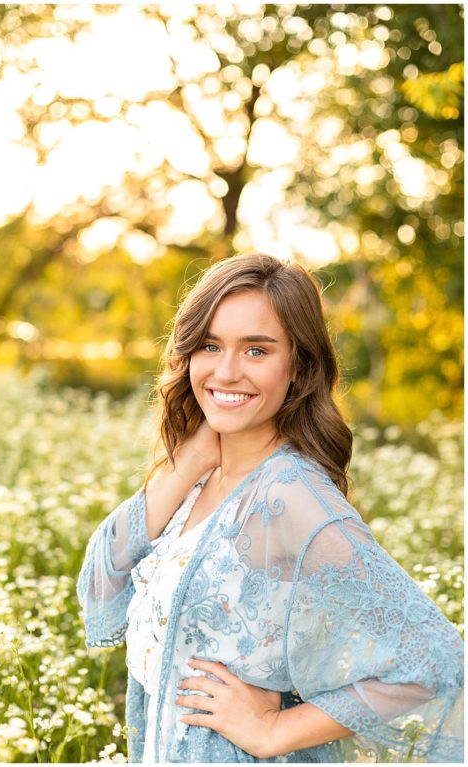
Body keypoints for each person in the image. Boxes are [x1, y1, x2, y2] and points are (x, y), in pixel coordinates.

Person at [76, 254, 463, 763]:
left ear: (298, 366)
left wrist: (274, 729)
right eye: (210, 345)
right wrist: (188, 461)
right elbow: (100, 584)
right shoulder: (197, 479)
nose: (226, 371)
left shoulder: (290, 495)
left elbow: (433, 660)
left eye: (256, 350)